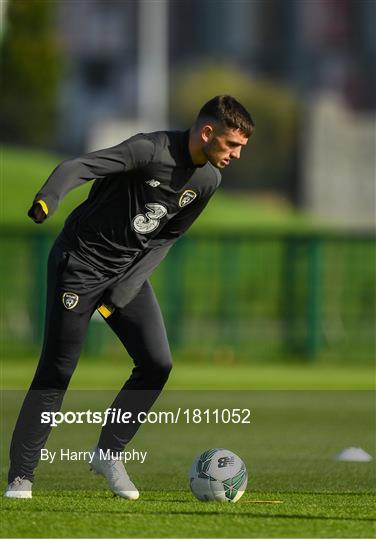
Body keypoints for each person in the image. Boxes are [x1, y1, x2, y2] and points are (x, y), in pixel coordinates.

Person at [5, 95, 254, 499]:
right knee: (57, 372)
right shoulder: (149, 149)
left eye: (242, 146)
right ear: (208, 132)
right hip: (79, 265)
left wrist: (123, 290)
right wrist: (49, 198)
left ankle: (109, 452)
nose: (237, 154)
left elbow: (167, 237)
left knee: (157, 364)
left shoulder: (208, 181)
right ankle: (21, 477)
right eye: (232, 144)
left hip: (126, 274)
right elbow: (77, 167)